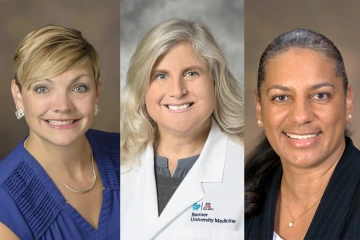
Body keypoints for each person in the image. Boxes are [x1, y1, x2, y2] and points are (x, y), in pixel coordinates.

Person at [121, 18, 244, 239]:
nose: (177, 91)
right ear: (142, 88)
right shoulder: (116, 165)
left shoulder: (248, 168)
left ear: (215, 80)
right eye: (161, 76)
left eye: (191, 73)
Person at [0, 25, 119, 240]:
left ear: (97, 92)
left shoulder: (130, 152)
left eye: (79, 88)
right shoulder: (5, 201)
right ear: (18, 96)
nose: (63, 106)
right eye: (42, 88)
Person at [245, 28, 360, 239]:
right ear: (259, 107)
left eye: (320, 95)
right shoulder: (236, 200)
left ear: (348, 101)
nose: (301, 116)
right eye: (281, 97)